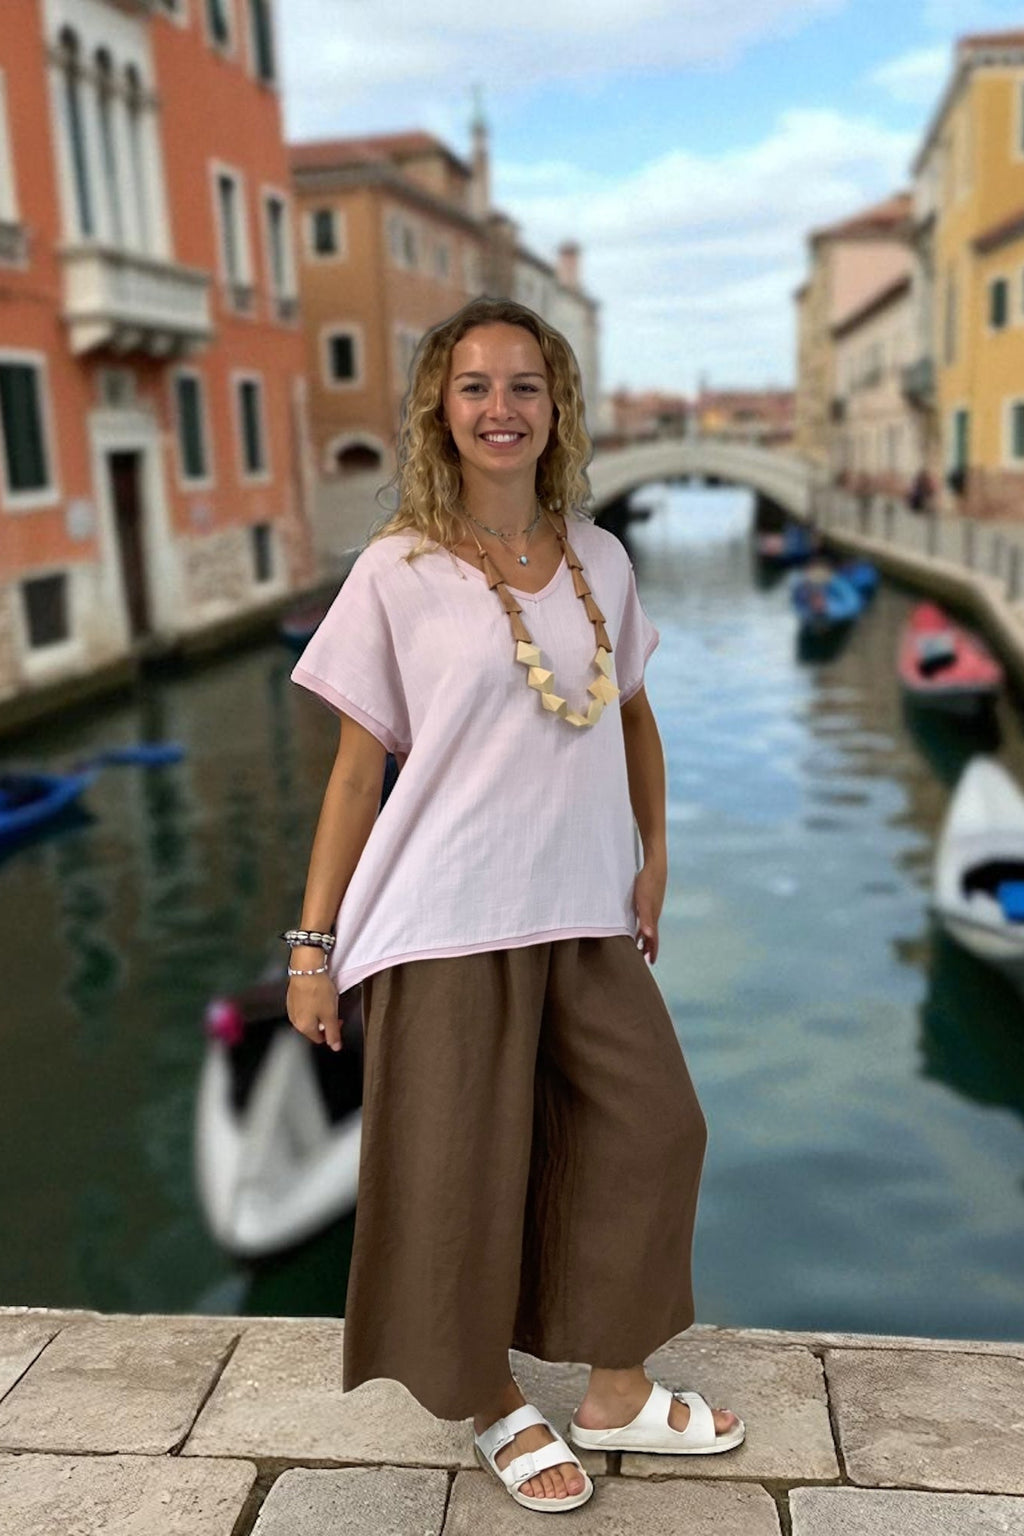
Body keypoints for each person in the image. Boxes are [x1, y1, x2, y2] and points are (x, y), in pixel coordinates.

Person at [284, 296, 744, 1514]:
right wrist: (312, 947)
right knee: (456, 1172)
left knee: (655, 1126)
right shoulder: (397, 571)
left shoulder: (600, 559)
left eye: (524, 385)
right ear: (441, 409)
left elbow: (632, 717)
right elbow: (356, 771)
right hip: (442, 917)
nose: (502, 408)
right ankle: (486, 1395)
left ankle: (614, 1386)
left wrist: (653, 855)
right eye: (476, 386)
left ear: (556, 407)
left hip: (584, 908)